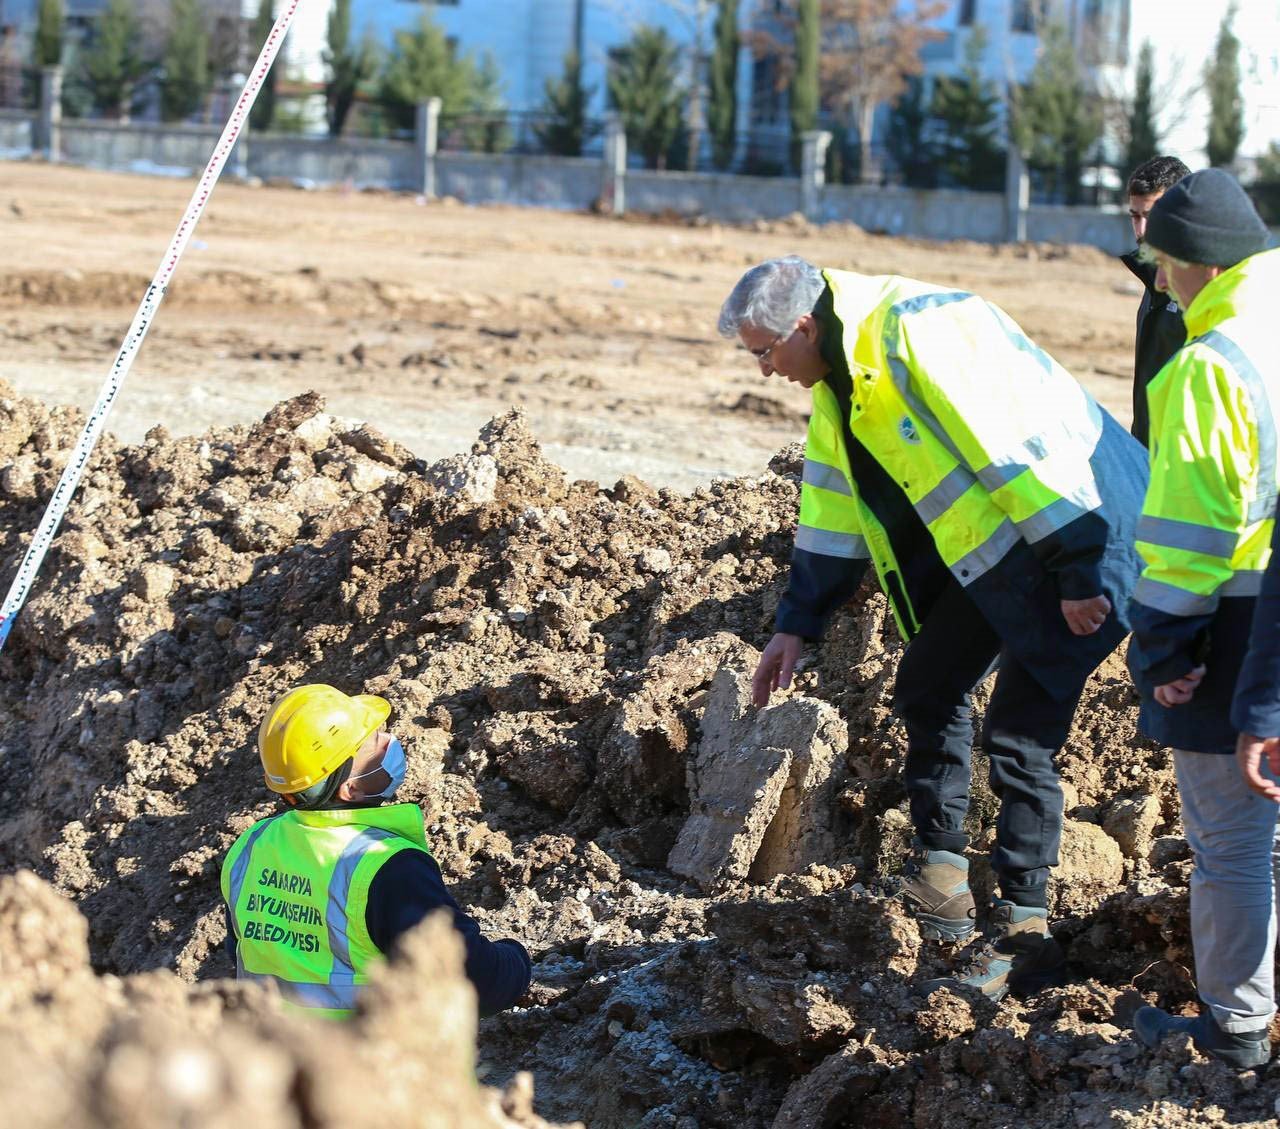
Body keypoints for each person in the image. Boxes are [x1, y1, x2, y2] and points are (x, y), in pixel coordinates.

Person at [719, 256, 1148, 1001]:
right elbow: (829, 508)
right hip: (1009, 552)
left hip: (1087, 530)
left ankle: (1027, 932)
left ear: (804, 326)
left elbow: (1022, 449)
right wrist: (797, 623)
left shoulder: (921, 335)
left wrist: (1081, 571)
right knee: (929, 681)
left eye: (764, 351)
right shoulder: (838, 380)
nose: (762, 370)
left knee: (1020, 733)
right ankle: (944, 876)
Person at [1125, 168, 1277, 1069]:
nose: (1159, 281)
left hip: (1239, 619)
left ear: (1200, 268)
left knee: (1229, 841)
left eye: (1164, 264)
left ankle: (1236, 1027)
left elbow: (1189, 536)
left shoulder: (1207, 367)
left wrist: (1166, 646)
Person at [220, 683, 532, 1019]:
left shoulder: (252, 845)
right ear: (350, 788)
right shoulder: (385, 867)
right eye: (371, 741)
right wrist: (516, 958)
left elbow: (241, 949)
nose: (387, 741)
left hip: (261, 1056)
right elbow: (477, 984)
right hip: (360, 1061)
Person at [1121, 155, 1191, 446]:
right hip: (1150, 455)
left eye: (1151, 216)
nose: (1141, 231)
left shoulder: (1203, 287)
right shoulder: (1153, 280)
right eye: (1135, 216)